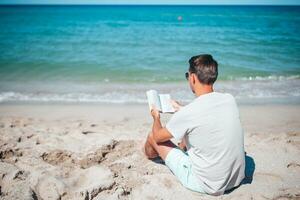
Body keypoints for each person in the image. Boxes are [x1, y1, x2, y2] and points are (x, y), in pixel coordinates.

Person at [144, 54, 245, 196]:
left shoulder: (190, 113)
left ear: (192, 77)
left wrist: (156, 117)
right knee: (191, 131)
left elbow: (158, 136)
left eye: (187, 75)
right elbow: (207, 115)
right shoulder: (229, 100)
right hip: (235, 179)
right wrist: (181, 109)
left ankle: (151, 156)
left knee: (152, 136)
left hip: (208, 184)